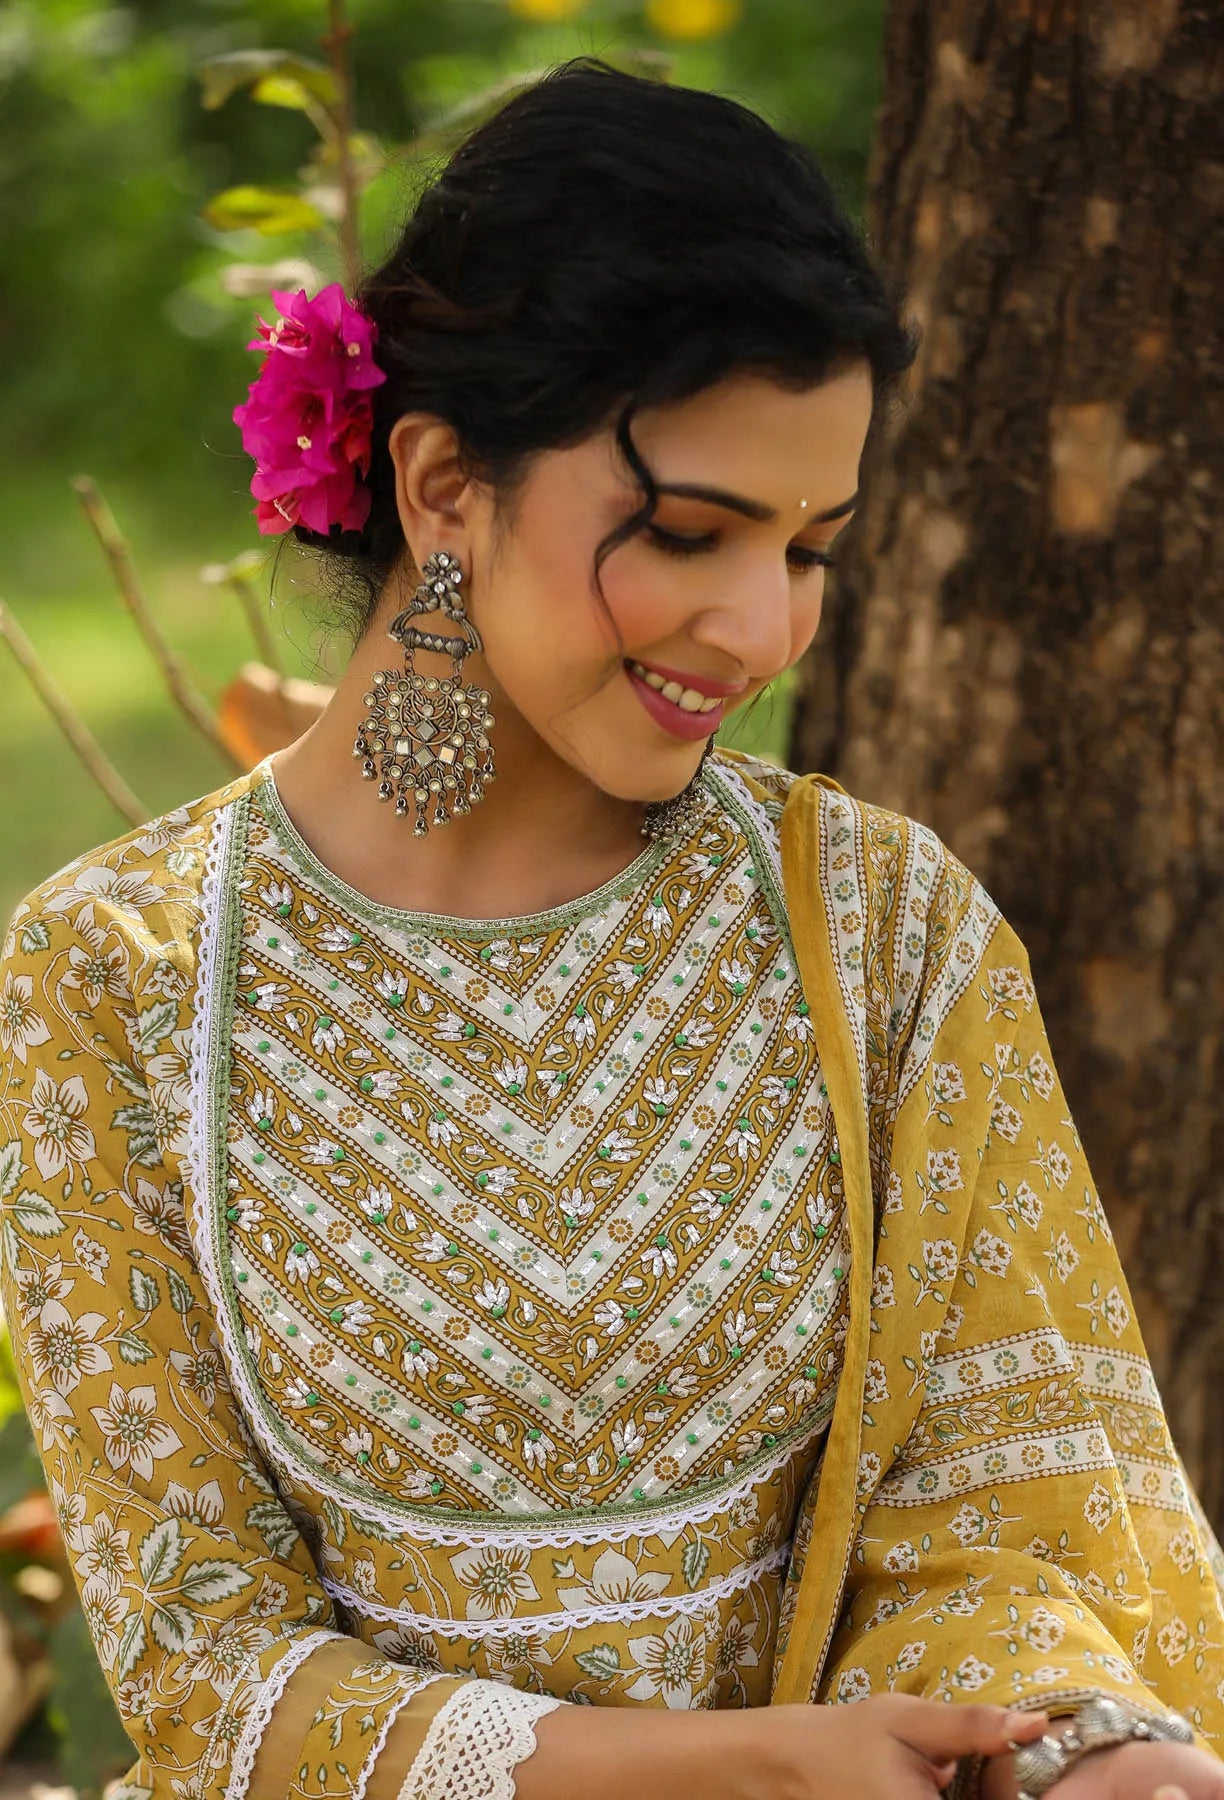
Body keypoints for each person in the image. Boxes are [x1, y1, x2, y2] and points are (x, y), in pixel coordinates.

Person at [2, 56, 1222, 1800]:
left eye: (810, 547)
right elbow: (208, 1671)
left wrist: (1078, 1752)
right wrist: (733, 1769)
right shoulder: (114, 973)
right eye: (689, 532)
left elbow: (1013, 1517)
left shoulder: (881, 927)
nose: (760, 626)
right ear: (439, 489)